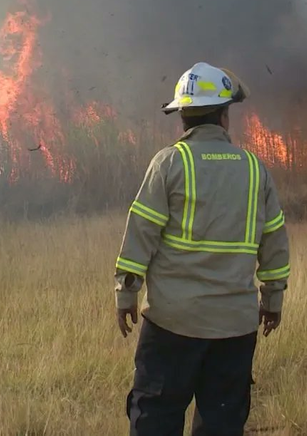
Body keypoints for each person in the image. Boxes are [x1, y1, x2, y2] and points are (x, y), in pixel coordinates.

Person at [113, 62, 291, 436]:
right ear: (225, 117)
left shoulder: (169, 163)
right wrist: (272, 300)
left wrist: (126, 293)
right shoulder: (255, 169)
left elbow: (140, 233)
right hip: (235, 328)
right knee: (222, 424)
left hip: (171, 324)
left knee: (155, 419)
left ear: (183, 117)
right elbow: (274, 242)